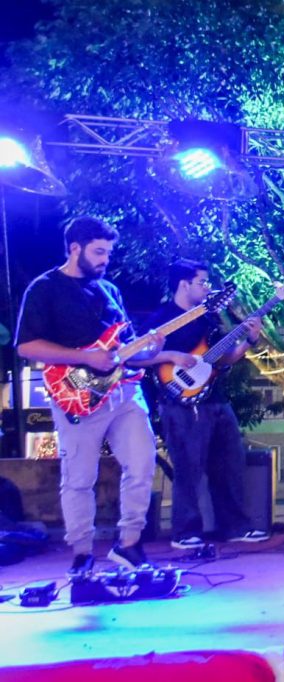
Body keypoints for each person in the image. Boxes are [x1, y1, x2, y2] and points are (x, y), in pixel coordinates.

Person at [15, 216, 191, 574]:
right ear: (74, 248)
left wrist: (156, 349)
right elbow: (26, 346)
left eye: (108, 253)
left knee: (142, 465)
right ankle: (82, 553)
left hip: (124, 392)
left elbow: (127, 353)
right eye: (98, 252)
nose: (105, 259)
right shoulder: (44, 288)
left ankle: (130, 544)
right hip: (76, 396)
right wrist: (84, 357)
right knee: (79, 479)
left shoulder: (109, 291)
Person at [144, 259, 270, 549]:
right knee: (188, 468)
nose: (207, 287)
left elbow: (222, 359)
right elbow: (137, 357)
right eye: (202, 282)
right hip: (178, 402)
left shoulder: (208, 320)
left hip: (215, 398)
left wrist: (249, 341)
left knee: (230, 463)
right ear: (183, 284)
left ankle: (235, 526)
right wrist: (171, 356)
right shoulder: (162, 319)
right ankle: (184, 532)